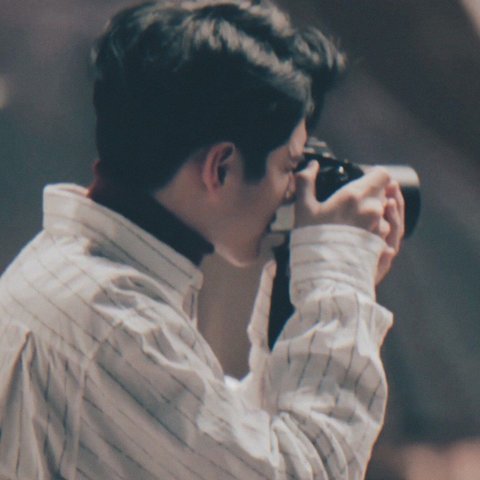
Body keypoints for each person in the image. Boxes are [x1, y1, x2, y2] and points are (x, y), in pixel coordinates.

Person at [0, 1, 404, 478]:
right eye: (290, 166)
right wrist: (338, 275)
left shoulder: (79, 278)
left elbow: (231, 445)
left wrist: (307, 278)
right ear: (221, 167)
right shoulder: (116, 325)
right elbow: (304, 471)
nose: (296, 190)